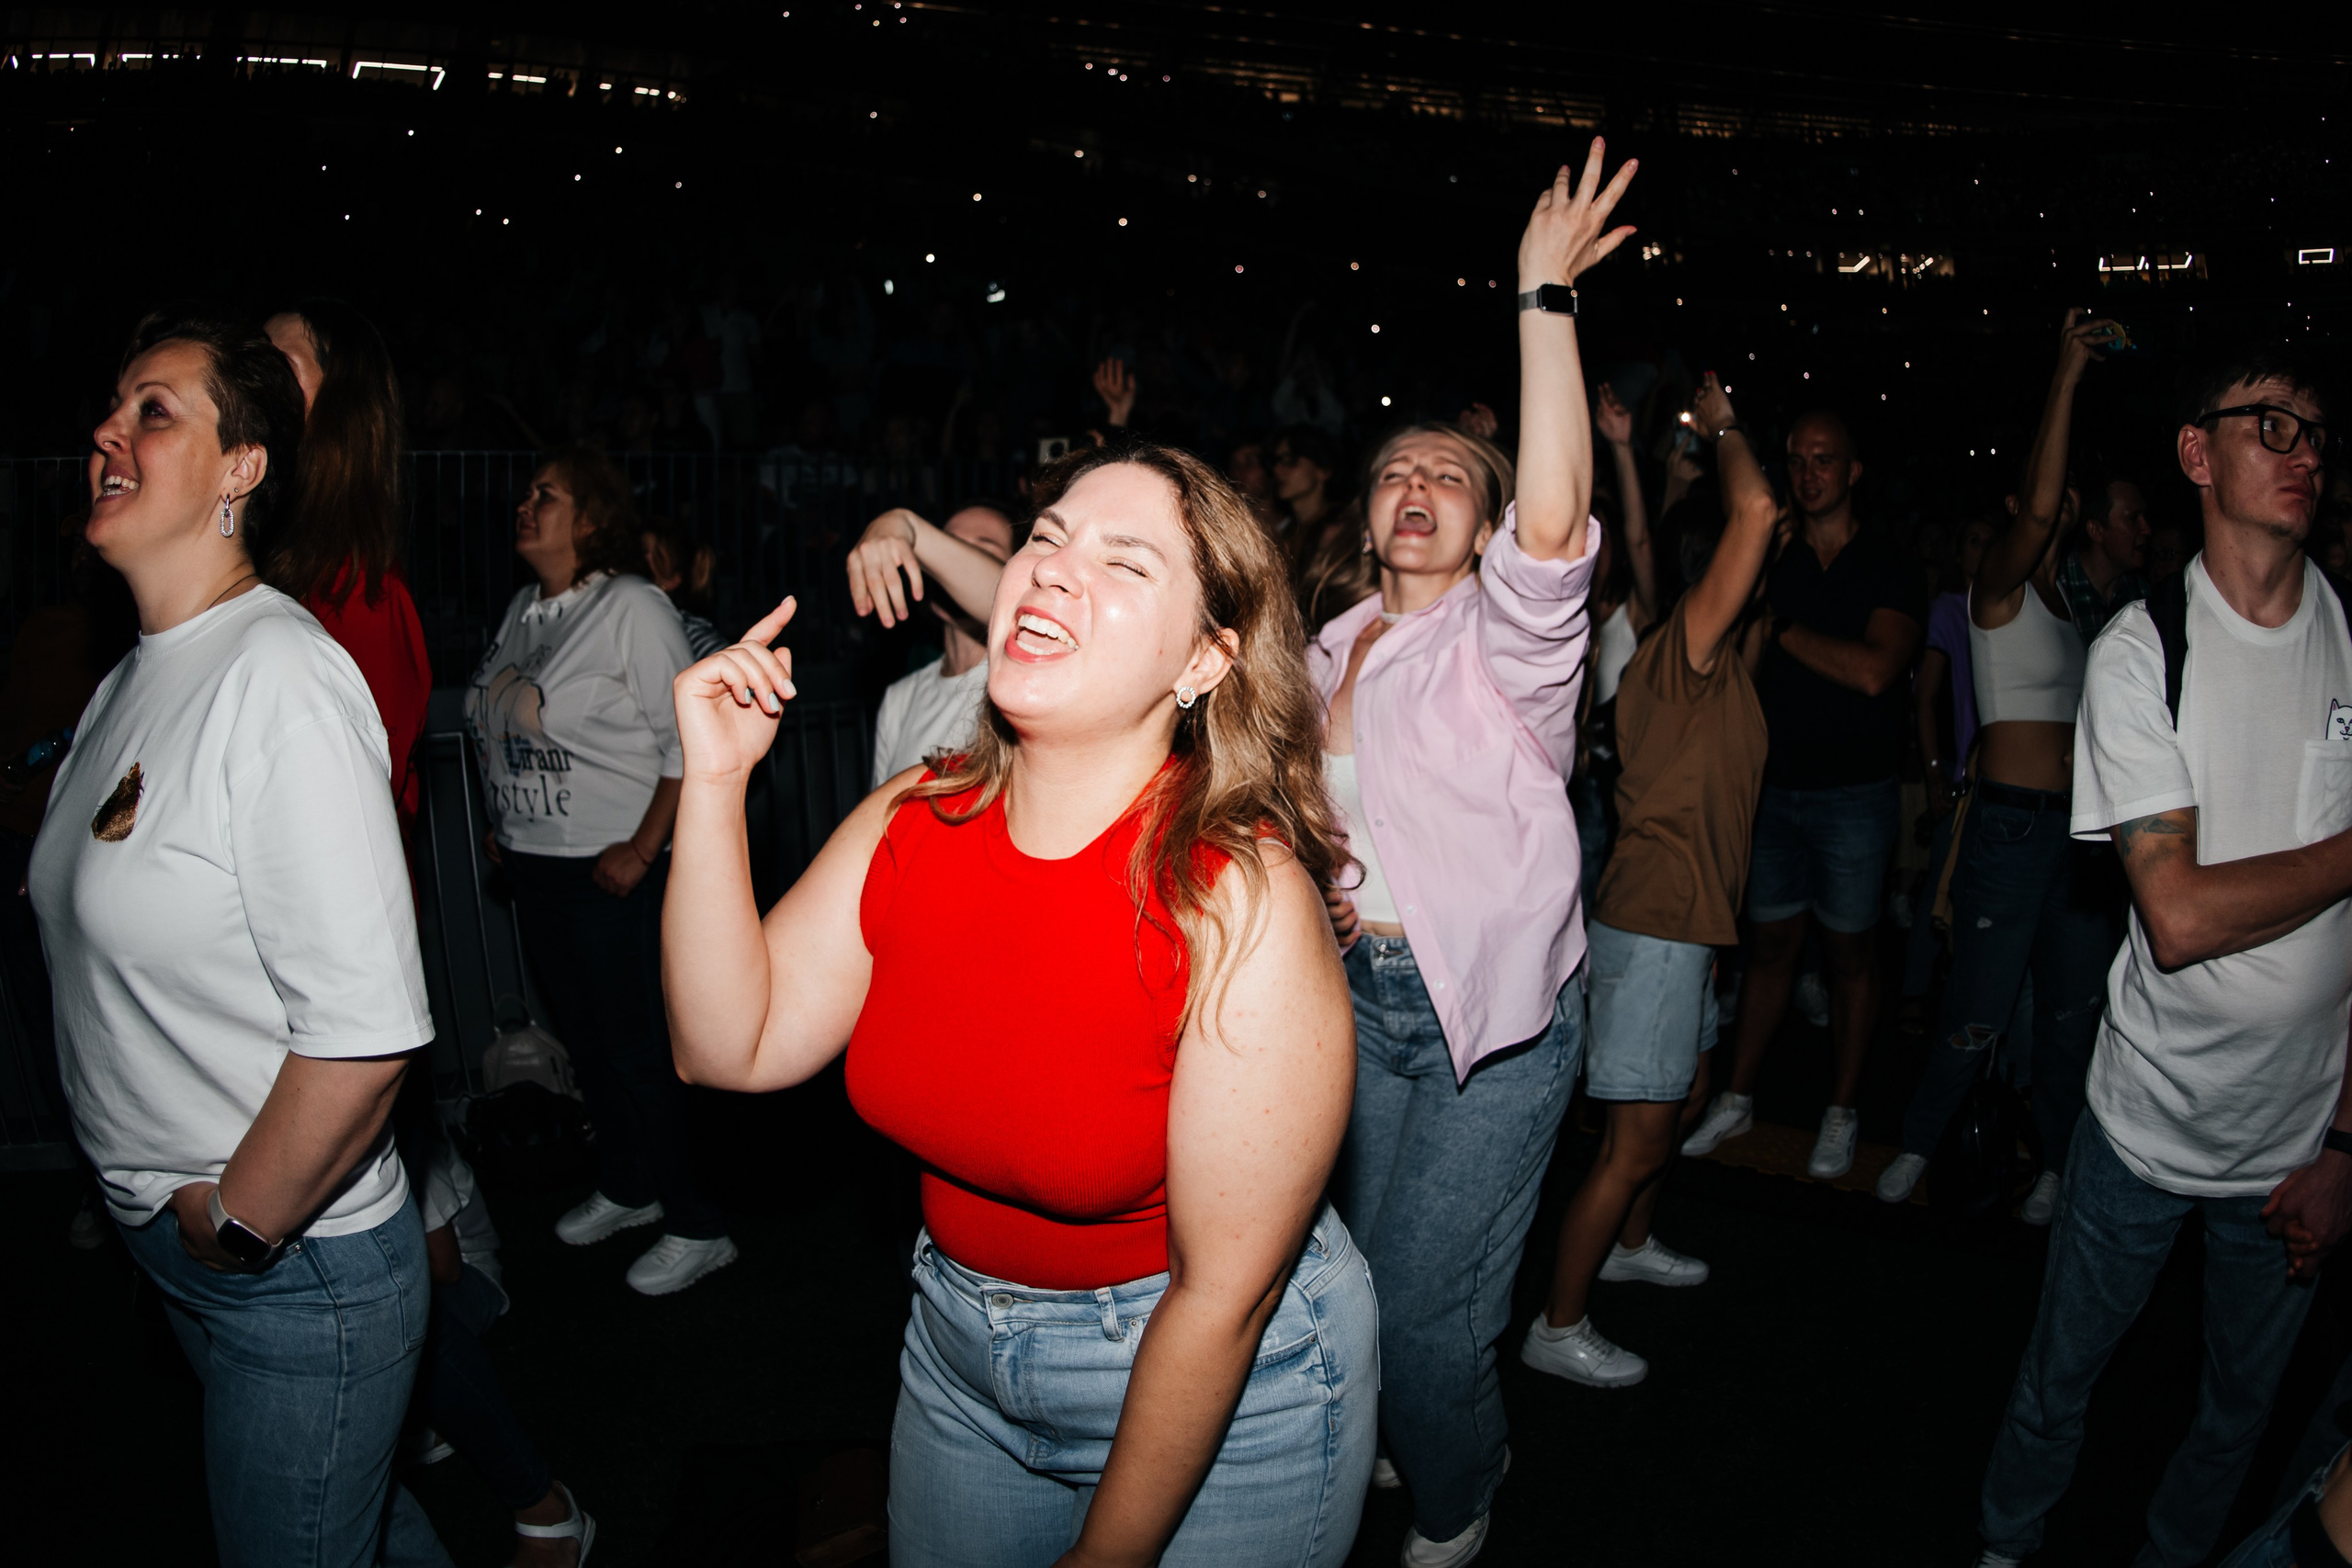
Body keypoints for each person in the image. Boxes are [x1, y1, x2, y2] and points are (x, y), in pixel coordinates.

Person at [666, 439, 1376, 1566]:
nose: (1052, 567)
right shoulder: (916, 816)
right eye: (1048, 538)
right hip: (955, 1348)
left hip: (1222, 1376)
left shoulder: (1236, 898)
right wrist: (712, 783)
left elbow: (1220, 1297)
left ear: (1202, 661)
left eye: (1124, 563)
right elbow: (728, 1047)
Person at [29, 308, 444, 1564]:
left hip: (288, 1264)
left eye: (156, 411)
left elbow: (368, 1035)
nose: (109, 430)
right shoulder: (130, 676)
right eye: (112, 407)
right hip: (182, 1243)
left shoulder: (280, 676)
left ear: (244, 468)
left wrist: (239, 1222)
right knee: (351, 1520)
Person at [1975, 347, 2352, 1568]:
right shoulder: (2147, 649)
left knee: (2237, 1409)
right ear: (2199, 454)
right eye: (2271, 426)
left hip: (2294, 1143)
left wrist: (2348, 1138)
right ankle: (2003, 1539)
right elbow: (2178, 916)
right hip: (2143, 1124)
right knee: (2058, 1376)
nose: (2303, 452)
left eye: (2314, 433)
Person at [1317, 142, 1633, 1567]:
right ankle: (1417, 1422)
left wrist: (1543, 297)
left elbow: (1556, 521)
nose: (1420, 483)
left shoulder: (1507, 645)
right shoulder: (1331, 646)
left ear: (1482, 511)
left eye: (1449, 471)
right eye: (1397, 471)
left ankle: (1463, 1489)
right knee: (1363, 1277)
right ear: (1369, 512)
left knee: (1423, 1301)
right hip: (1366, 1008)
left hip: (1492, 1028)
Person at [1524, 369, 1773, 1389]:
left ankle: (1628, 1246)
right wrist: (1724, 428)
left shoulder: (1707, 668)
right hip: (1656, 926)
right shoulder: (1683, 655)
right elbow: (1756, 507)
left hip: (1689, 927)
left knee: (1682, 1097)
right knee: (1631, 1138)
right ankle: (1556, 1319)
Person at [466, 447, 735, 1295]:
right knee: (587, 1043)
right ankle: (630, 1185)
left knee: (637, 1050)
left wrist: (644, 847)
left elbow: (682, 738)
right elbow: (503, 724)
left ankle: (699, 1223)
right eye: (526, 491)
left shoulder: (630, 604)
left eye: (547, 494)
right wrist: (500, 821)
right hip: (540, 869)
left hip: (612, 873)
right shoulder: (523, 609)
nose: (526, 503)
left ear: (590, 519)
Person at [1878, 312, 2126, 1217]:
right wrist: (2065, 375)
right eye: (2042, 499)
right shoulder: (1999, 589)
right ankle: (1916, 1142)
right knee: (1977, 1011)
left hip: (2077, 833)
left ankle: (2055, 1161)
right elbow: (2034, 505)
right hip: (2012, 821)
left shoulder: (2069, 603)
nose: (2054, 505)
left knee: (2068, 1016)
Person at [1682, 405, 1927, 1179]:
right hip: (1774, 787)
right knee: (1770, 949)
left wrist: (1780, 627)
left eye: (1824, 459)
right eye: (1796, 459)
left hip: (1855, 793)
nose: (1808, 473)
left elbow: (1874, 670)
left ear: (1853, 471)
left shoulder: (1888, 563)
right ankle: (1739, 1095)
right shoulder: (1775, 562)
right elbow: (1740, 678)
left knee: (1852, 954)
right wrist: (1760, 605)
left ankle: (1843, 1109)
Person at [264, 300, 434, 840]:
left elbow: (353, 816)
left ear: (343, 406)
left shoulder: (359, 593)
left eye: (277, 367)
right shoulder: (251, 555)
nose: (251, 382)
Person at [414, 1137, 596, 1566]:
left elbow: (445, 1266)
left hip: (466, 1278)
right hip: (401, 1275)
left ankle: (547, 1507)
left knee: (413, 1321)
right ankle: (430, 1415)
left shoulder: (398, 1138)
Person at [854, 501, 1019, 785]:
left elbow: (1010, 600)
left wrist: (903, 521)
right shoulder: (900, 697)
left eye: (982, 551)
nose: (949, 566)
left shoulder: (1020, 679)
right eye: (949, 545)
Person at [641, 514, 727, 658]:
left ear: (672, 581)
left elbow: (729, 668)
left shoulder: (691, 634)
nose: (637, 560)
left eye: (644, 552)